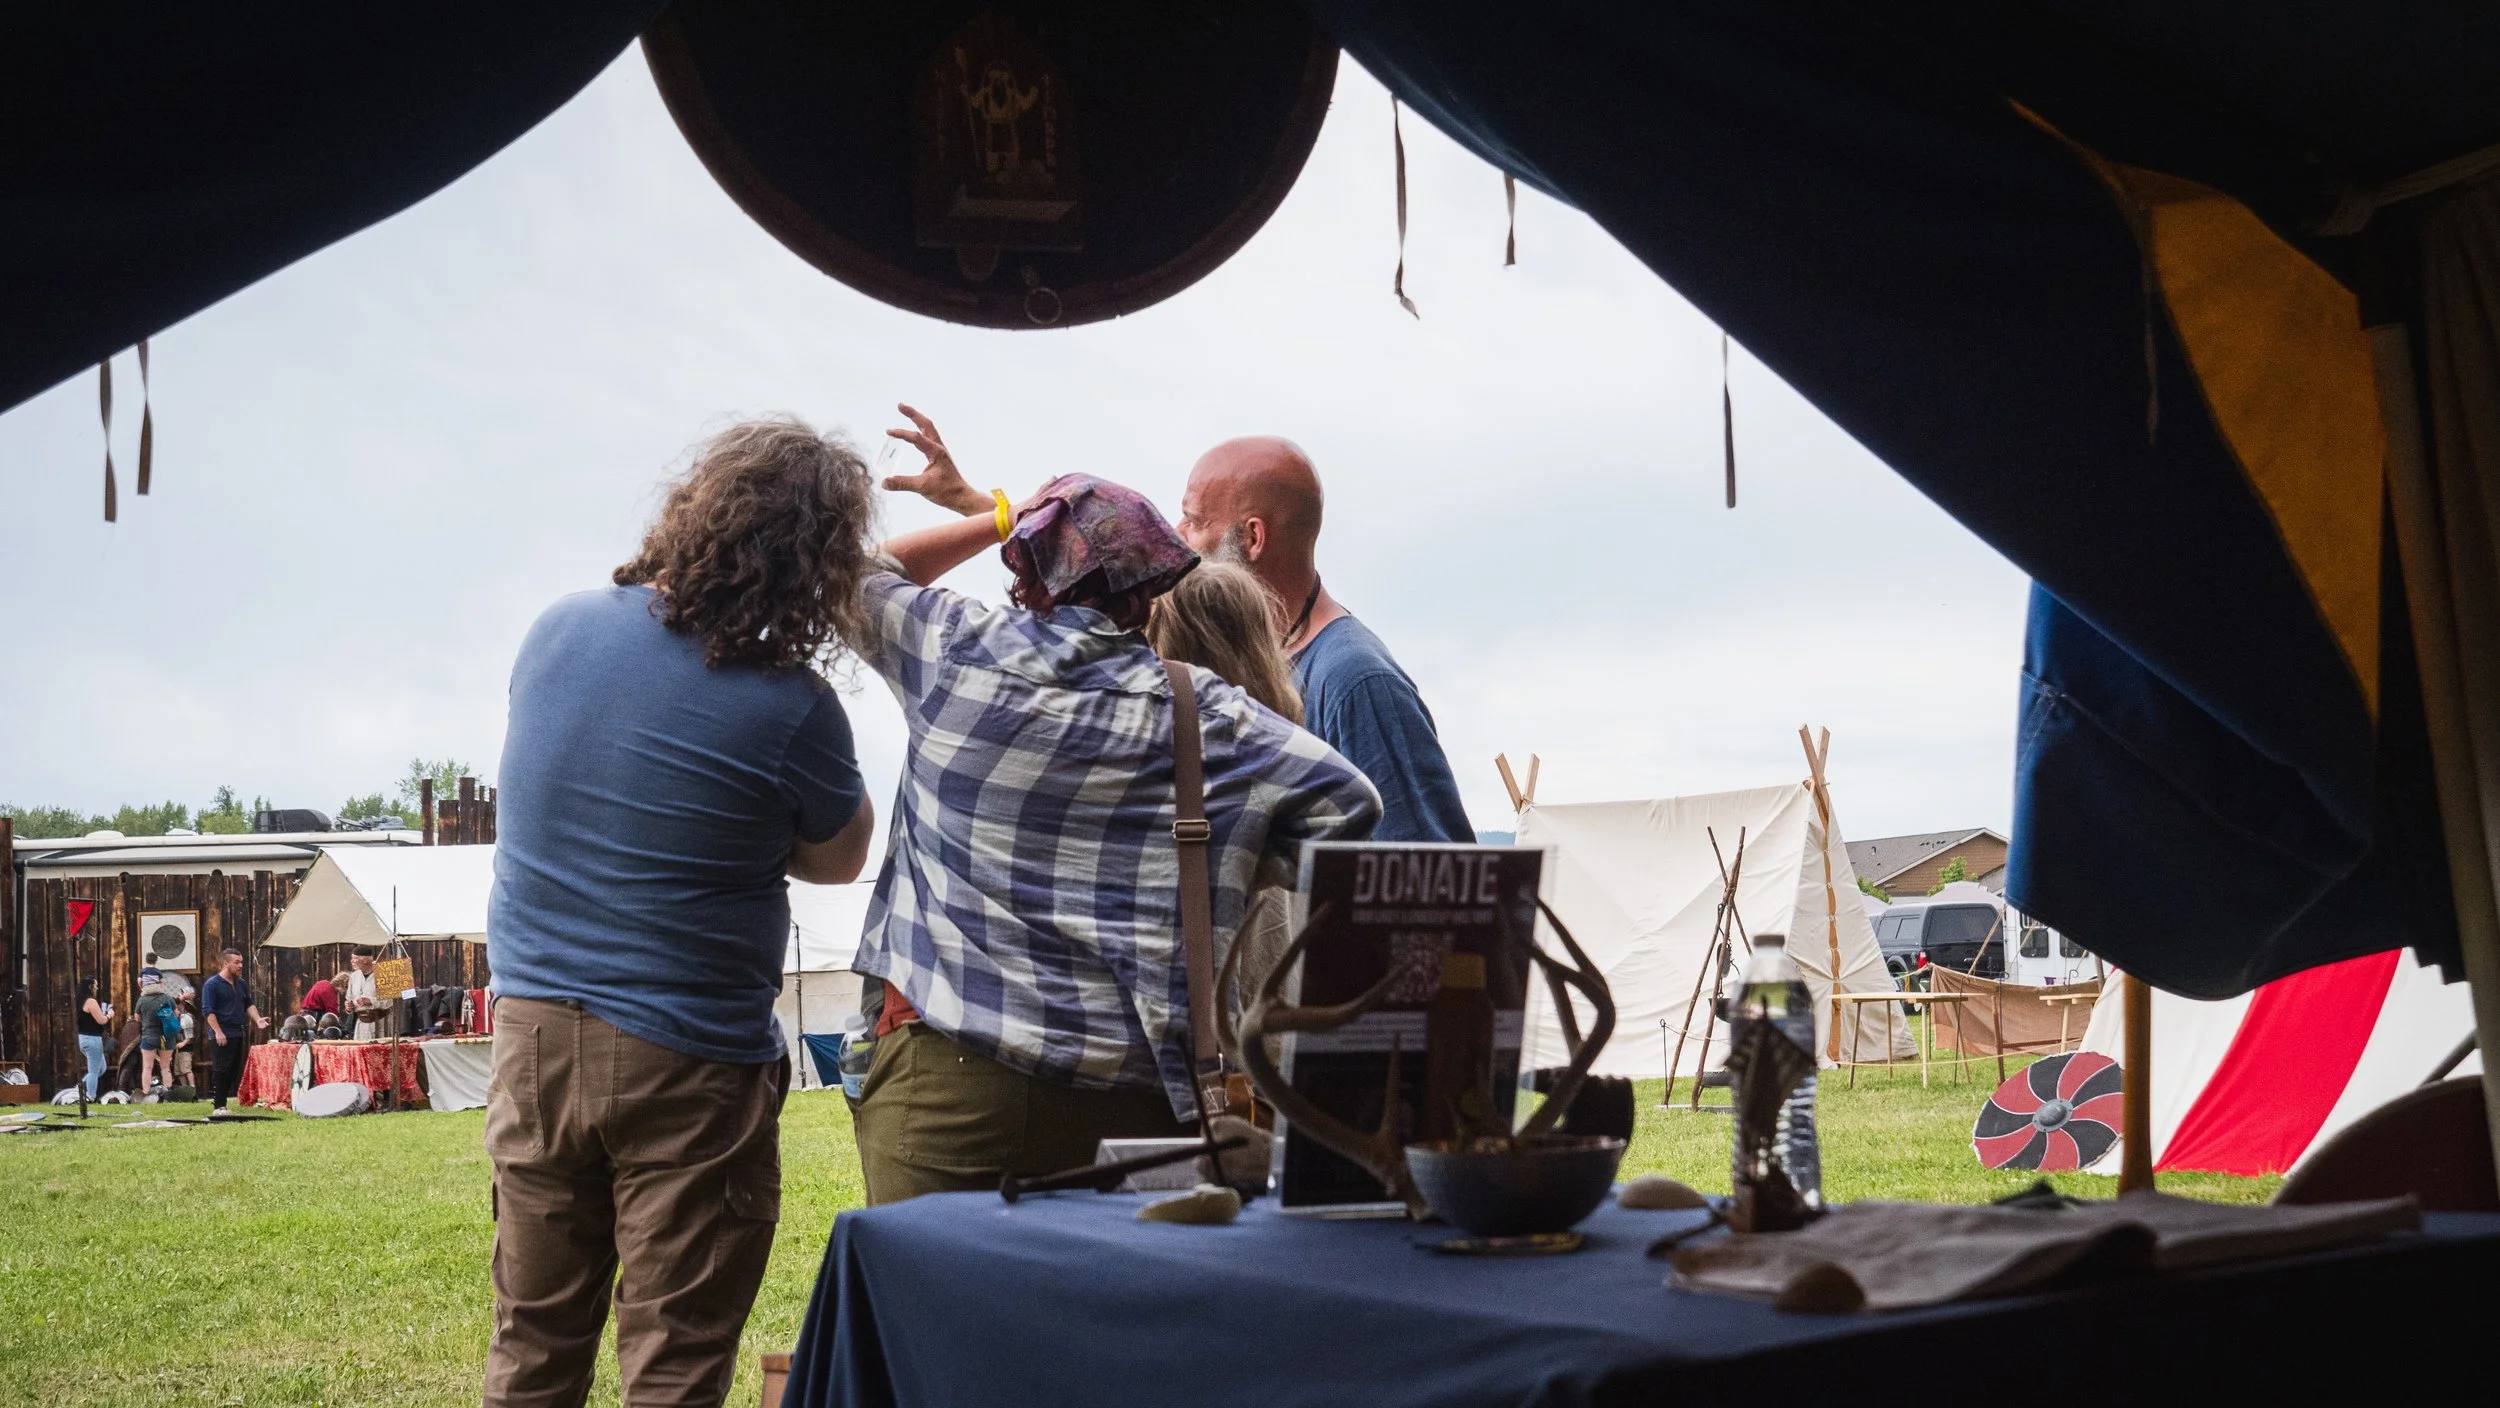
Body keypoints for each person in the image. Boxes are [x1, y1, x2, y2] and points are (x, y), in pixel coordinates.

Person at [852, 408, 1380, 1204]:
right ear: (1150, 597)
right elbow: (1351, 807)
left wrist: (1000, 515)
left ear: (1023, 577)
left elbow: (858, 572)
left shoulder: (951, 648)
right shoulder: (1213, 719)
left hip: (951, 1093)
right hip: (1139, 1106)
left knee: (935, 1318)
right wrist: (1228, 866)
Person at [484, 417, 880, 1408]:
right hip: (686, 1057)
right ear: (815, 570)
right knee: (674, 1366)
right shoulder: (790, 705)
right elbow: (842, 856)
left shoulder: (556, 628)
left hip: (529, 1037)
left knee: (531, 1348)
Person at [1177, 437, 1475, 843]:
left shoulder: (1357, 682)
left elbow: (1431, 881)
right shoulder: (1263, 663)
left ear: (1252, 538)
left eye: (1193, 521)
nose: (1178, 536)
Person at [198, 949, 269, 1113]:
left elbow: (248, 1004)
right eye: (236, 962)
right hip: (221, 1033)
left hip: (237, 1032)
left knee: (233, 1070)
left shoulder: (241, 983)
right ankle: (219, 1105)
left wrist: (257, 1019)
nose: (240, 966)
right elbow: (208, 1011)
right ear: (225, 964)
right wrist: (218, 1031)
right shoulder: (212, 984)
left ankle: (227, 1102)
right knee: (221, 1070)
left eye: (241, 962)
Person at [134, 968, 178, 1096]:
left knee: (147, 1067)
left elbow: (137, 1018)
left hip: (148, 1037)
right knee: (165, 1067)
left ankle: (146, 1092)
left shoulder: (142, 1000)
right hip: (166, 1037)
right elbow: (176, 1014)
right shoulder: (167, 998)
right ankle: (168, 1091)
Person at [73, 977, 112, 1099]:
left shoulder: (80, 1001)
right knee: (94, 1071)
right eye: (95, 985)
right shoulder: (91, 1001)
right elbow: (101, 1020)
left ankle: (76, 1090)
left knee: (101, 1068)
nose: (97, 988)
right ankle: (90, 1096)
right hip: (92, 1039)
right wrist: (110, 1015)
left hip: (84, 1038)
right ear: (90, 987)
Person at [343, 946, 384, 1039]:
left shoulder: (383, 973)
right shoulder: (354, 976)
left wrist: (371, 1001)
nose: (352, 961)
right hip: (361, 1024)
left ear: (365, 960)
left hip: (381, 1024)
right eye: (352, 958)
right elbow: (350, 998)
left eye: (355, 958)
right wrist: (349, 1006)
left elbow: (393, 999)